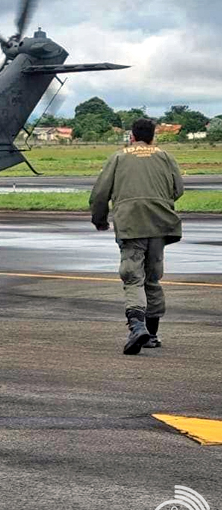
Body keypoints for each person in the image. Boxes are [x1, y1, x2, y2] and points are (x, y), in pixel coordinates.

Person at [90, 117, 184, 354]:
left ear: (131, 136)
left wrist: (100, 220)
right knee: (153, 278)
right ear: (154, 136)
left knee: (133, 277)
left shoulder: (119, 157)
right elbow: (178, 190)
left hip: (131, 224)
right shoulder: (165, 156)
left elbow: (100, 194)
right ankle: (151, 334)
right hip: (160, 224)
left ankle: (137, 326)